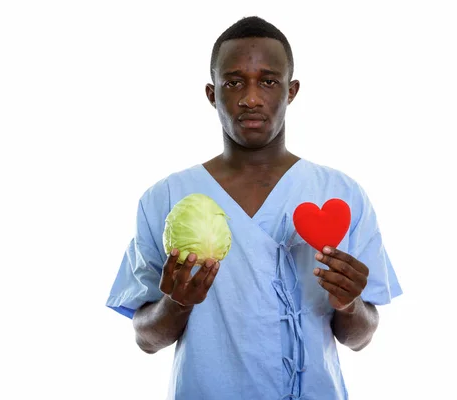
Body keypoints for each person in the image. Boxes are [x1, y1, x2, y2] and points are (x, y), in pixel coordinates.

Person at [105, 15, 402, 400]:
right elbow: (146, 339)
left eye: (268, 81)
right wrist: (176, 303)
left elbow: (360, 339)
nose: (251, 98)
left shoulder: (341, 194)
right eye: (233, 83)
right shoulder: (165, 198)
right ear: (212, 94)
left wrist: (348, 303)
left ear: (291, 91)